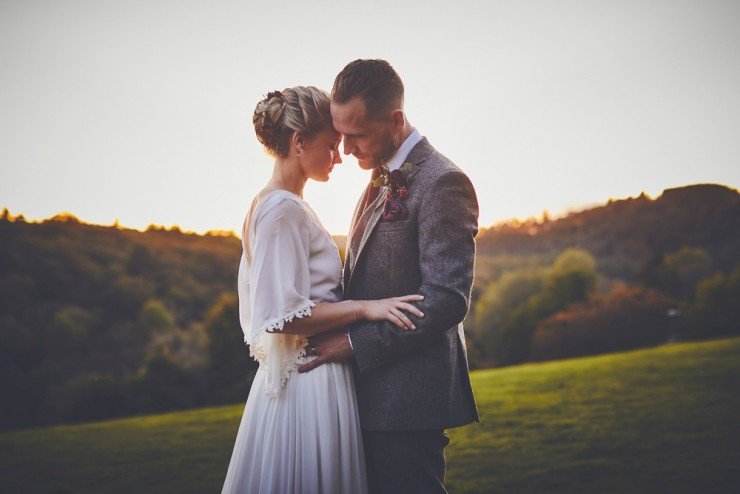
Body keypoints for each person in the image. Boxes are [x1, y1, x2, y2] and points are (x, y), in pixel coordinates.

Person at [221, 86, 425, 494]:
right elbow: (281, 316)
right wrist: (365, 308)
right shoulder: (281, 209)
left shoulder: (278, 203)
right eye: (331, 145)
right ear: (299, 143)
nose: (339, 156)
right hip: (309, 383)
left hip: (310, 372)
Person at [297, 60, 480, 493]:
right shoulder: (380, 172)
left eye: (357, 135)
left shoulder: (443, 182)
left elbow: (446, 298)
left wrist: (353, 343)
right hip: (370, 392)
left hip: (407, 398)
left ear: (395, 120)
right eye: (341, 135)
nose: (347, 148)